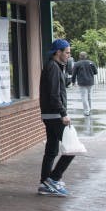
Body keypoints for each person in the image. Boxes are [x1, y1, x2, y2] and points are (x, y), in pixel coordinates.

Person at [38, 39, 74, 197]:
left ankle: (44, 183)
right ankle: (53, 178)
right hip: (55, 115)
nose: (68, 55)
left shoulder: (54, 67)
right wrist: (63, 113)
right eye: (66, 52)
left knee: (51, 151)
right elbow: (54, 94)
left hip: (49, 115)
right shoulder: (53, 68)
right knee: (72, 147)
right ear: (57, 52)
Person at [71, 51, 98, 116]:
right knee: (89, 96)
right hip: (90, 82)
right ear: (86, 56)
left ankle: (86, 111)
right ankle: (89, 109)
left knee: (84, 97)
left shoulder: (77, 64)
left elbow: (74, 74)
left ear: (80, 56)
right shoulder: (91, 63)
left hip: (82, 82)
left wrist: (73, 81)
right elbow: (96, 72)